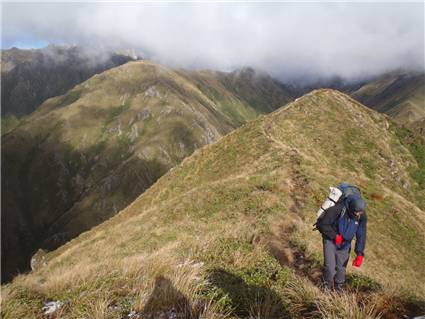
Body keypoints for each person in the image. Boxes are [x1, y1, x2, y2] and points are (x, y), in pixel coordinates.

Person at [316, 194, 367, 291]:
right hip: (330, 241)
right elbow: (324, 224)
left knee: (341, 269)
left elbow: (361, 234)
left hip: (345, 244)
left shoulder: (361, 215)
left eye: (360, 212)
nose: (358, 214)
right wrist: (334, 236)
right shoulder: (338, 209)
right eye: (356, 212)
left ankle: (338, 288)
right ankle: (326, 286)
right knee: (330, 267)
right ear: (351, 208)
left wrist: (359, 253)